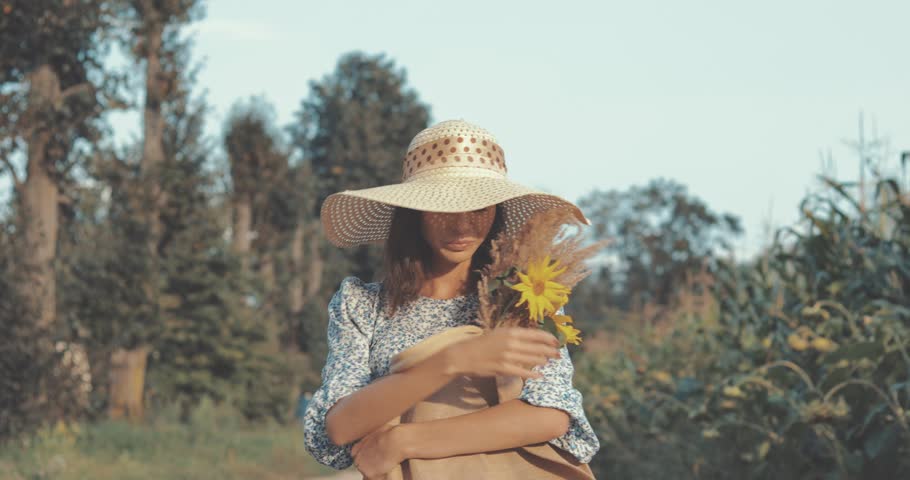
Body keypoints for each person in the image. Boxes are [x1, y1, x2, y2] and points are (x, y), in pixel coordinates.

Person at [303, 119, 600, 478]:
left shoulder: (525, 298)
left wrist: (403, 441)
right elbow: (339, 426)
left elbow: (552, 414)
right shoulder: (363, 306)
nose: (461, 227)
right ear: (412, 212)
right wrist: (454, 360)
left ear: (497, 212)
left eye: (479, 208)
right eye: (443, 208)